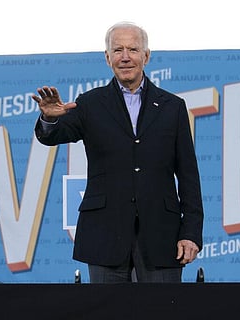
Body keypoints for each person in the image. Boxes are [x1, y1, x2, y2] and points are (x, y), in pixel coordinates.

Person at [33, 21, 204, 283]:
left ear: (146, 56)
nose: (125, 57)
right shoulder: (90, 103)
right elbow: (52, 135)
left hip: (162, 236)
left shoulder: (173, 107)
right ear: (107, 57)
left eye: (133, 49)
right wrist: (49, 118)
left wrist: (190, 232)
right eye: (118, 50)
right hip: (104, 235)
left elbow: (189, 175)